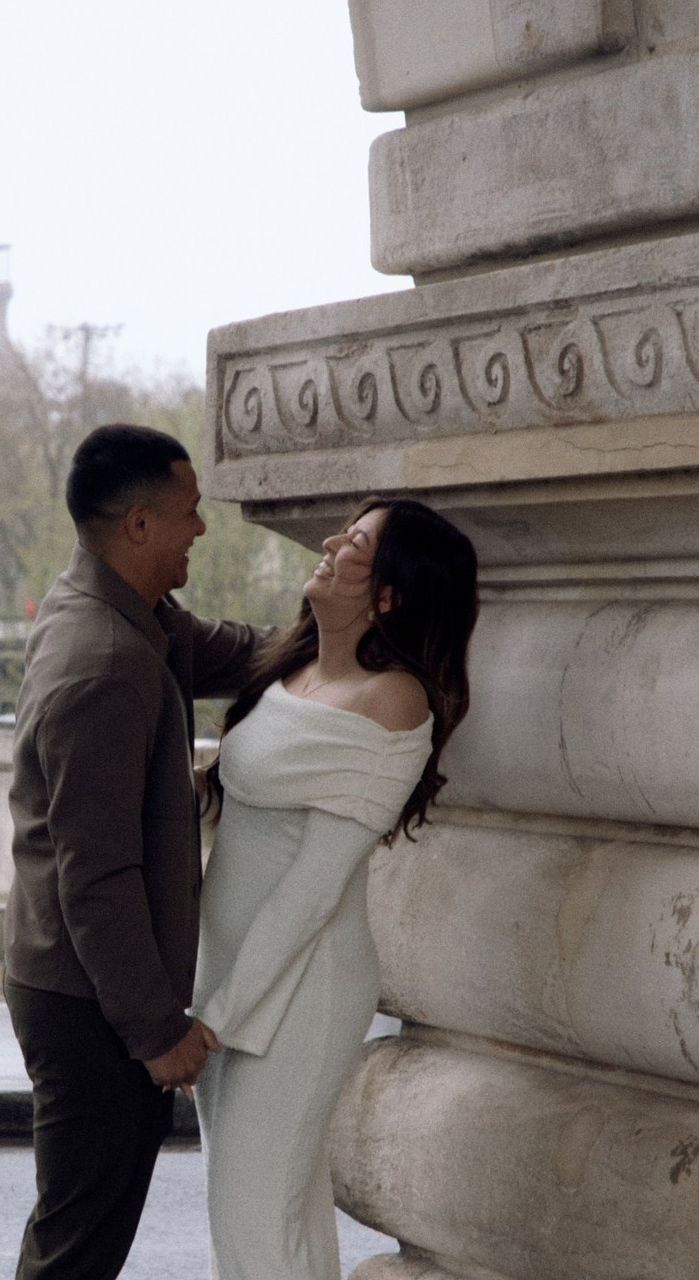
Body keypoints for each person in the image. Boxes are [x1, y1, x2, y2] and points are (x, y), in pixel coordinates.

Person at [4, 423, 268, 1280]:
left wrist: (338, 635)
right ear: (140, 525)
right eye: (190, 511)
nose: (202, 527)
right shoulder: (106, 662)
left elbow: (231, 651)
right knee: (75, 1250)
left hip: (77, 982)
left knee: (79, 1236)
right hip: (88, 999)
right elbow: (97, 877)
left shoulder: (121, 614)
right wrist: (157, 1031)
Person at [191, 497, 479, 1280]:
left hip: (301, 986)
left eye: (354, 541)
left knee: (252, 1220)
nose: (327, 543)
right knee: (269, 1215)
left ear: (389, 594)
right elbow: (230, 811)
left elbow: (313, 890)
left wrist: (215, 1020)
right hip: (230, 972)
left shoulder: (394, 701)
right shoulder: (293, 668)